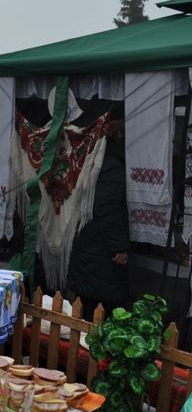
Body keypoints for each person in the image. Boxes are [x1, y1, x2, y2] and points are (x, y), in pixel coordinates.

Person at [66, 124, 129, 321]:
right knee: (96, 311)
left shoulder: (92, 159)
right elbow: (107, 207)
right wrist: (119, 246)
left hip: (88, 242)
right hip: (100, 249)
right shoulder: (111, 164)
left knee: (85, 306)